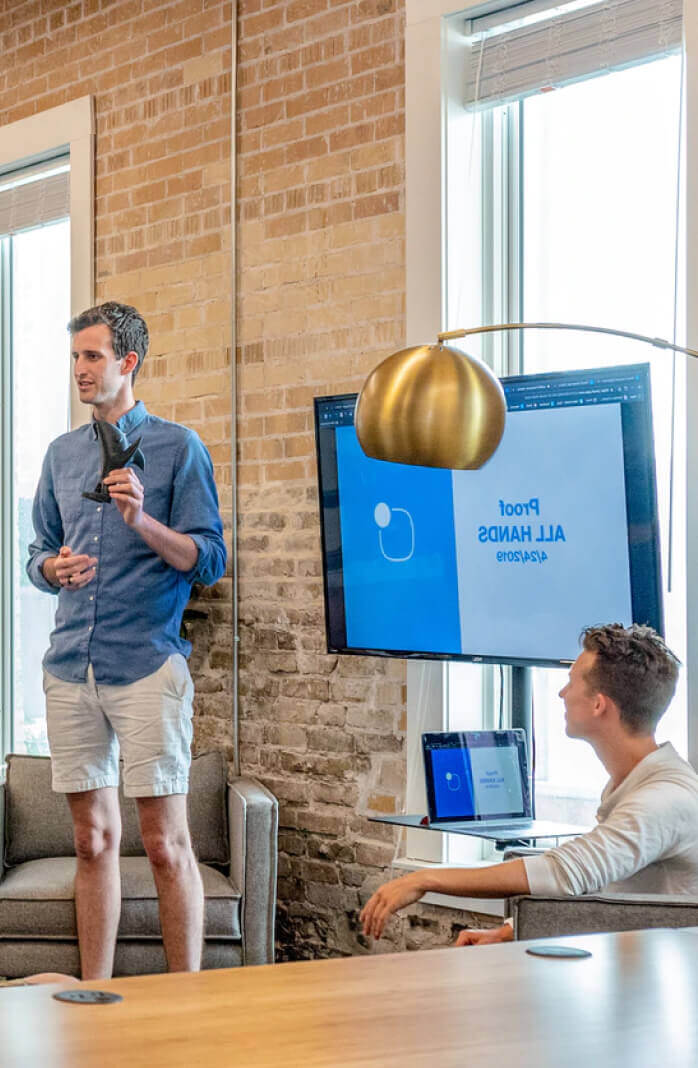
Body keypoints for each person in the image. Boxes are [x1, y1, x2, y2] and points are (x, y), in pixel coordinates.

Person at [27, 301, 227, 979]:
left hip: (146, 668)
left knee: (166, 846)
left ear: (128, 362)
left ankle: (183, 1003)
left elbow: (208, 560)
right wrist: (52, 569)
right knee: (91, 841)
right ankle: (96, 1002)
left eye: (92, 356)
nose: (80, 369)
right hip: (70, 668)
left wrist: (141, 520)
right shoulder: (61, 454)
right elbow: (37, 553)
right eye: (75, 357)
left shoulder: (179, 449)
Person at [361, 623, 698, 944]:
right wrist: (507, 932)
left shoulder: (663, 799)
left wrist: (425, 878)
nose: (562, 693)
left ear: (598, 704)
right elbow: (610, 881)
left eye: (571, 682)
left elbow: (565, 873)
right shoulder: (637, 784)